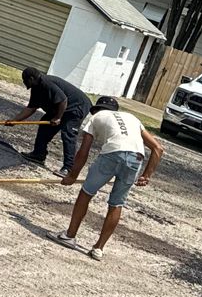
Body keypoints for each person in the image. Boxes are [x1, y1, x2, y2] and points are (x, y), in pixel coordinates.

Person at [58, 96, 164, 260]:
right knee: (116, 204)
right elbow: (158, 148)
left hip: (112, 153)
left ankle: (70, 236)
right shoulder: (132, 118)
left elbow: (83, 151)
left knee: (86, 193)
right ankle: (98, 248)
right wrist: (146, 176)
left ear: (97, 109)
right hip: (136, 158)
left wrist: (72, 176)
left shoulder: (95, 118)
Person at [13, 68, 91, 170]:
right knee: (44, 125)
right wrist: (14, 120)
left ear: (31, 79)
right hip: (60, 108)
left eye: (25, 80)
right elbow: (31, 108)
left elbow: (63, 100)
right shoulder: (36, 88)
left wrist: (58, 118)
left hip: (76, 106)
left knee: (68, 134)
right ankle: (38, 155)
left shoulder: (47, 83)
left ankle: (68, 168)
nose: (24, 83)